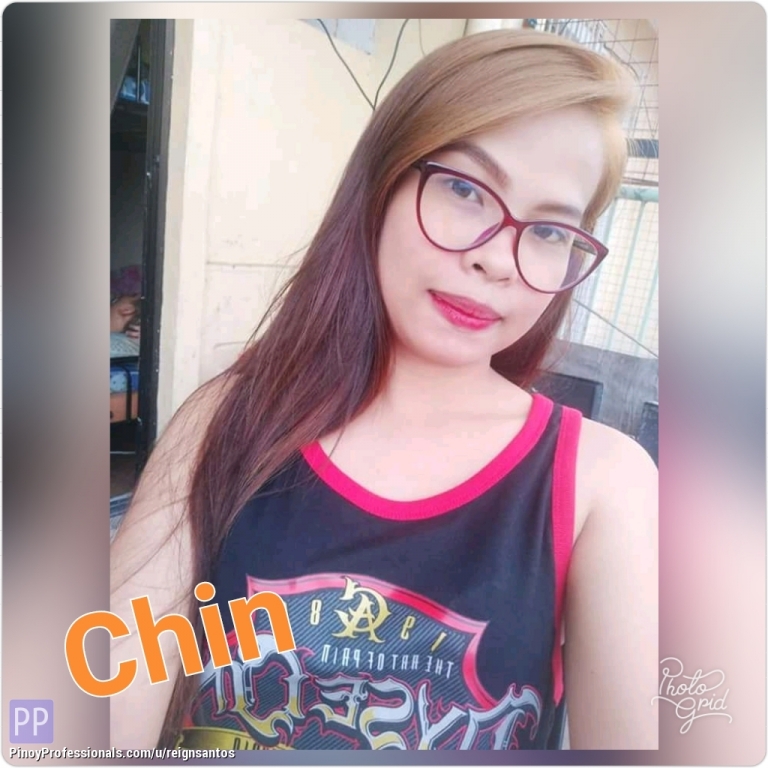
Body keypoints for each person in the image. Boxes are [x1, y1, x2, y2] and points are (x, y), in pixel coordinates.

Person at [111, 28, 658, 751]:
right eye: (465, 190)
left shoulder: (599, 484)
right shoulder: (223, 423)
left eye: (551, 231)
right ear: (381, 183)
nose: (499, 259)